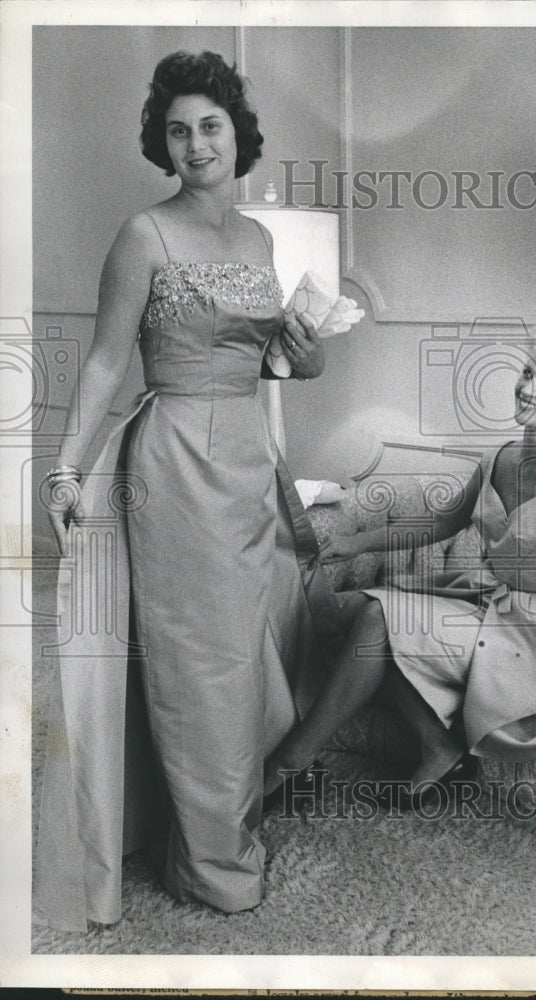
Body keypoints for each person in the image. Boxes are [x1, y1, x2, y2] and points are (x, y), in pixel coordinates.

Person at [35, 50, 346, 931]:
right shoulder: (145, 235)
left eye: (210, 126)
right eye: (178, 130)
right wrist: (64, 464)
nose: (195, 143)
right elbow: (104, 361)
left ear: (236, 136)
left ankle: (214, 826)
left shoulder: (258, 240)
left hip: (250, 455)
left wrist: (305, 340)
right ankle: (215, 864)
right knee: (196, 665)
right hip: (173, 459)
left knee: (253, 651)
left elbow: (286, 361)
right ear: (162, 144)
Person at [263, 320, 536, 805]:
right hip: (491, 604)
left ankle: (291, 762)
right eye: (527, 372)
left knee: (379, 617)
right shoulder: (502, 457)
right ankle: (434, 743)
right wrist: (358, 542)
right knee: (337, 611)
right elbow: (440, 523)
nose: (528, 388)